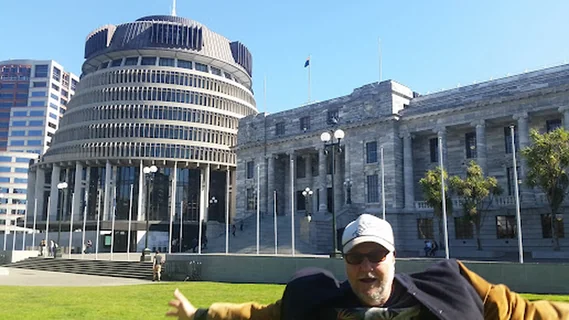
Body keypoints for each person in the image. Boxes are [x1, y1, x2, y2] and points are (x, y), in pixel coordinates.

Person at [166, 214, 569, 319]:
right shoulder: (319, 301)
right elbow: (260, 316)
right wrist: (199, 313)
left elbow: (525, 314)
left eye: (376, 256)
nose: (367, 267)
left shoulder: (450, 287)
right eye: (356, 258)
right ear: (344, 263)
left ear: (394, 257)